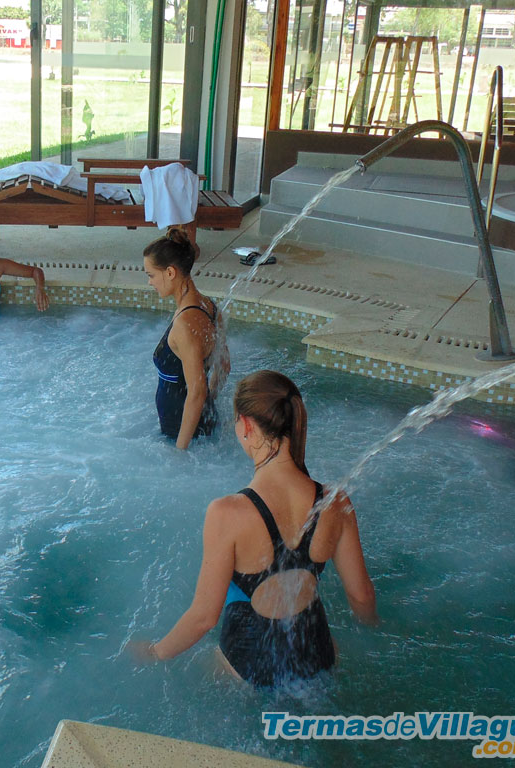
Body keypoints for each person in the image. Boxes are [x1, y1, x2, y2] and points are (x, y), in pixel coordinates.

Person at [132, 371, 378, 686]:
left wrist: (154, 653)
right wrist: (372, 631)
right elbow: (361, 595)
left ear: (247, 425)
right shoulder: (336, 502)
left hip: (251, 662)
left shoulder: (227, 513)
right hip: (316, 655)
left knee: (207, 671)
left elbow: (204, 617)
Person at [143, 227, 229, 449]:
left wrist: (179, 453)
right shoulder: (210, 307)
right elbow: (224, 365)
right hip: (202, 425)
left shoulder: (185, 325)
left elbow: (197, 392)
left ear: (170, 272)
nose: (150, 282)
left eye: (151, 275)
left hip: (182, 432)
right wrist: (211, 404)